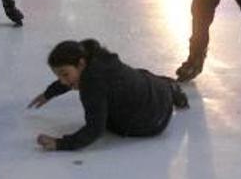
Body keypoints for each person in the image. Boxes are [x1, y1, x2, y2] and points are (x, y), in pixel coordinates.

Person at [29, 39, 189, 151]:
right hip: (153, 91)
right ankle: (167, 87)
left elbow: (95, 129)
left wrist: (60, 144)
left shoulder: (93, 83)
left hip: (151, 122)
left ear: (81, 64)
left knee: (109, 122)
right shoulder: (97, 57)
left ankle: (167, 89)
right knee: (137, 75)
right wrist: (49, 93)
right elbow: (71, 80)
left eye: (64, 74)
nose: (63, 81)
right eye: (59, 77)